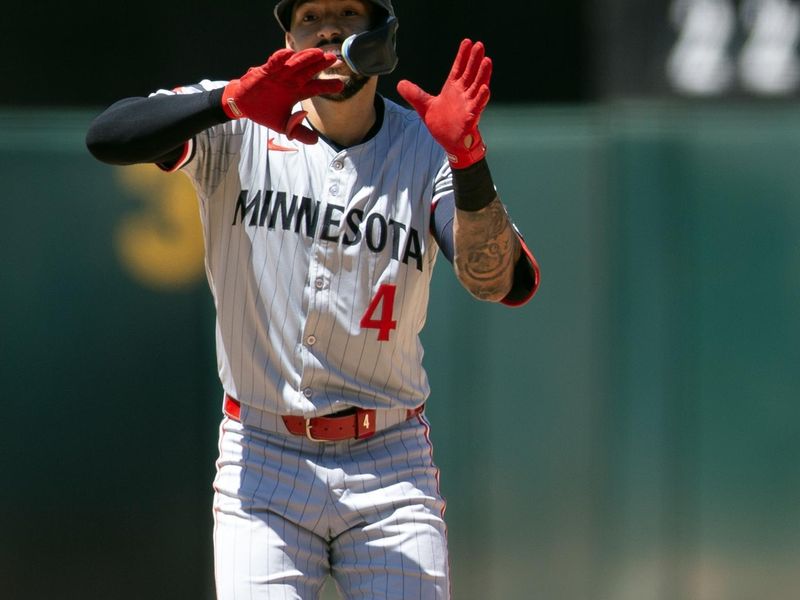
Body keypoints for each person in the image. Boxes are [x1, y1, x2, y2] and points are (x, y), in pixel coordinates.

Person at [86, 0, 539, 598]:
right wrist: (227, 102)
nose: (327, 29)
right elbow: (109, 136)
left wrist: (470, 163)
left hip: (390, 461)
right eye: (309, 16)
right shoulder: (240, 113)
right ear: (287, 36)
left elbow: (494, 281)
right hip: (261, 458)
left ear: (383, 33)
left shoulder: (428, 151)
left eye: (348, 12)